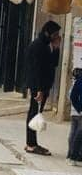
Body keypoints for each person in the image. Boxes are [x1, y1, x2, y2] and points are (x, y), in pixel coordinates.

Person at [24, 20, 62, 155]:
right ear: (47, 33)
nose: (57, 37)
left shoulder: (47, 45)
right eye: (55, 34)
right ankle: (31, 144)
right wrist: (39, 89)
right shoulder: (38, 46)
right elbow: (36, 69)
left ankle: (32, 143)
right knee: (34, 113)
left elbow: (53, 64)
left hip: (44, 85)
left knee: (36, 113)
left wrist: (56, 48)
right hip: (38, 86)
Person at [68, 68, 82, 166]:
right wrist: (79, 109)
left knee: (75, 133)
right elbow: (73, 96)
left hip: (76, 112)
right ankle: (73, 156)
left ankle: (71, 155)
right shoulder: (79, 81)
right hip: (78, 113)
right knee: (79, 134)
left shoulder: (78, 81)